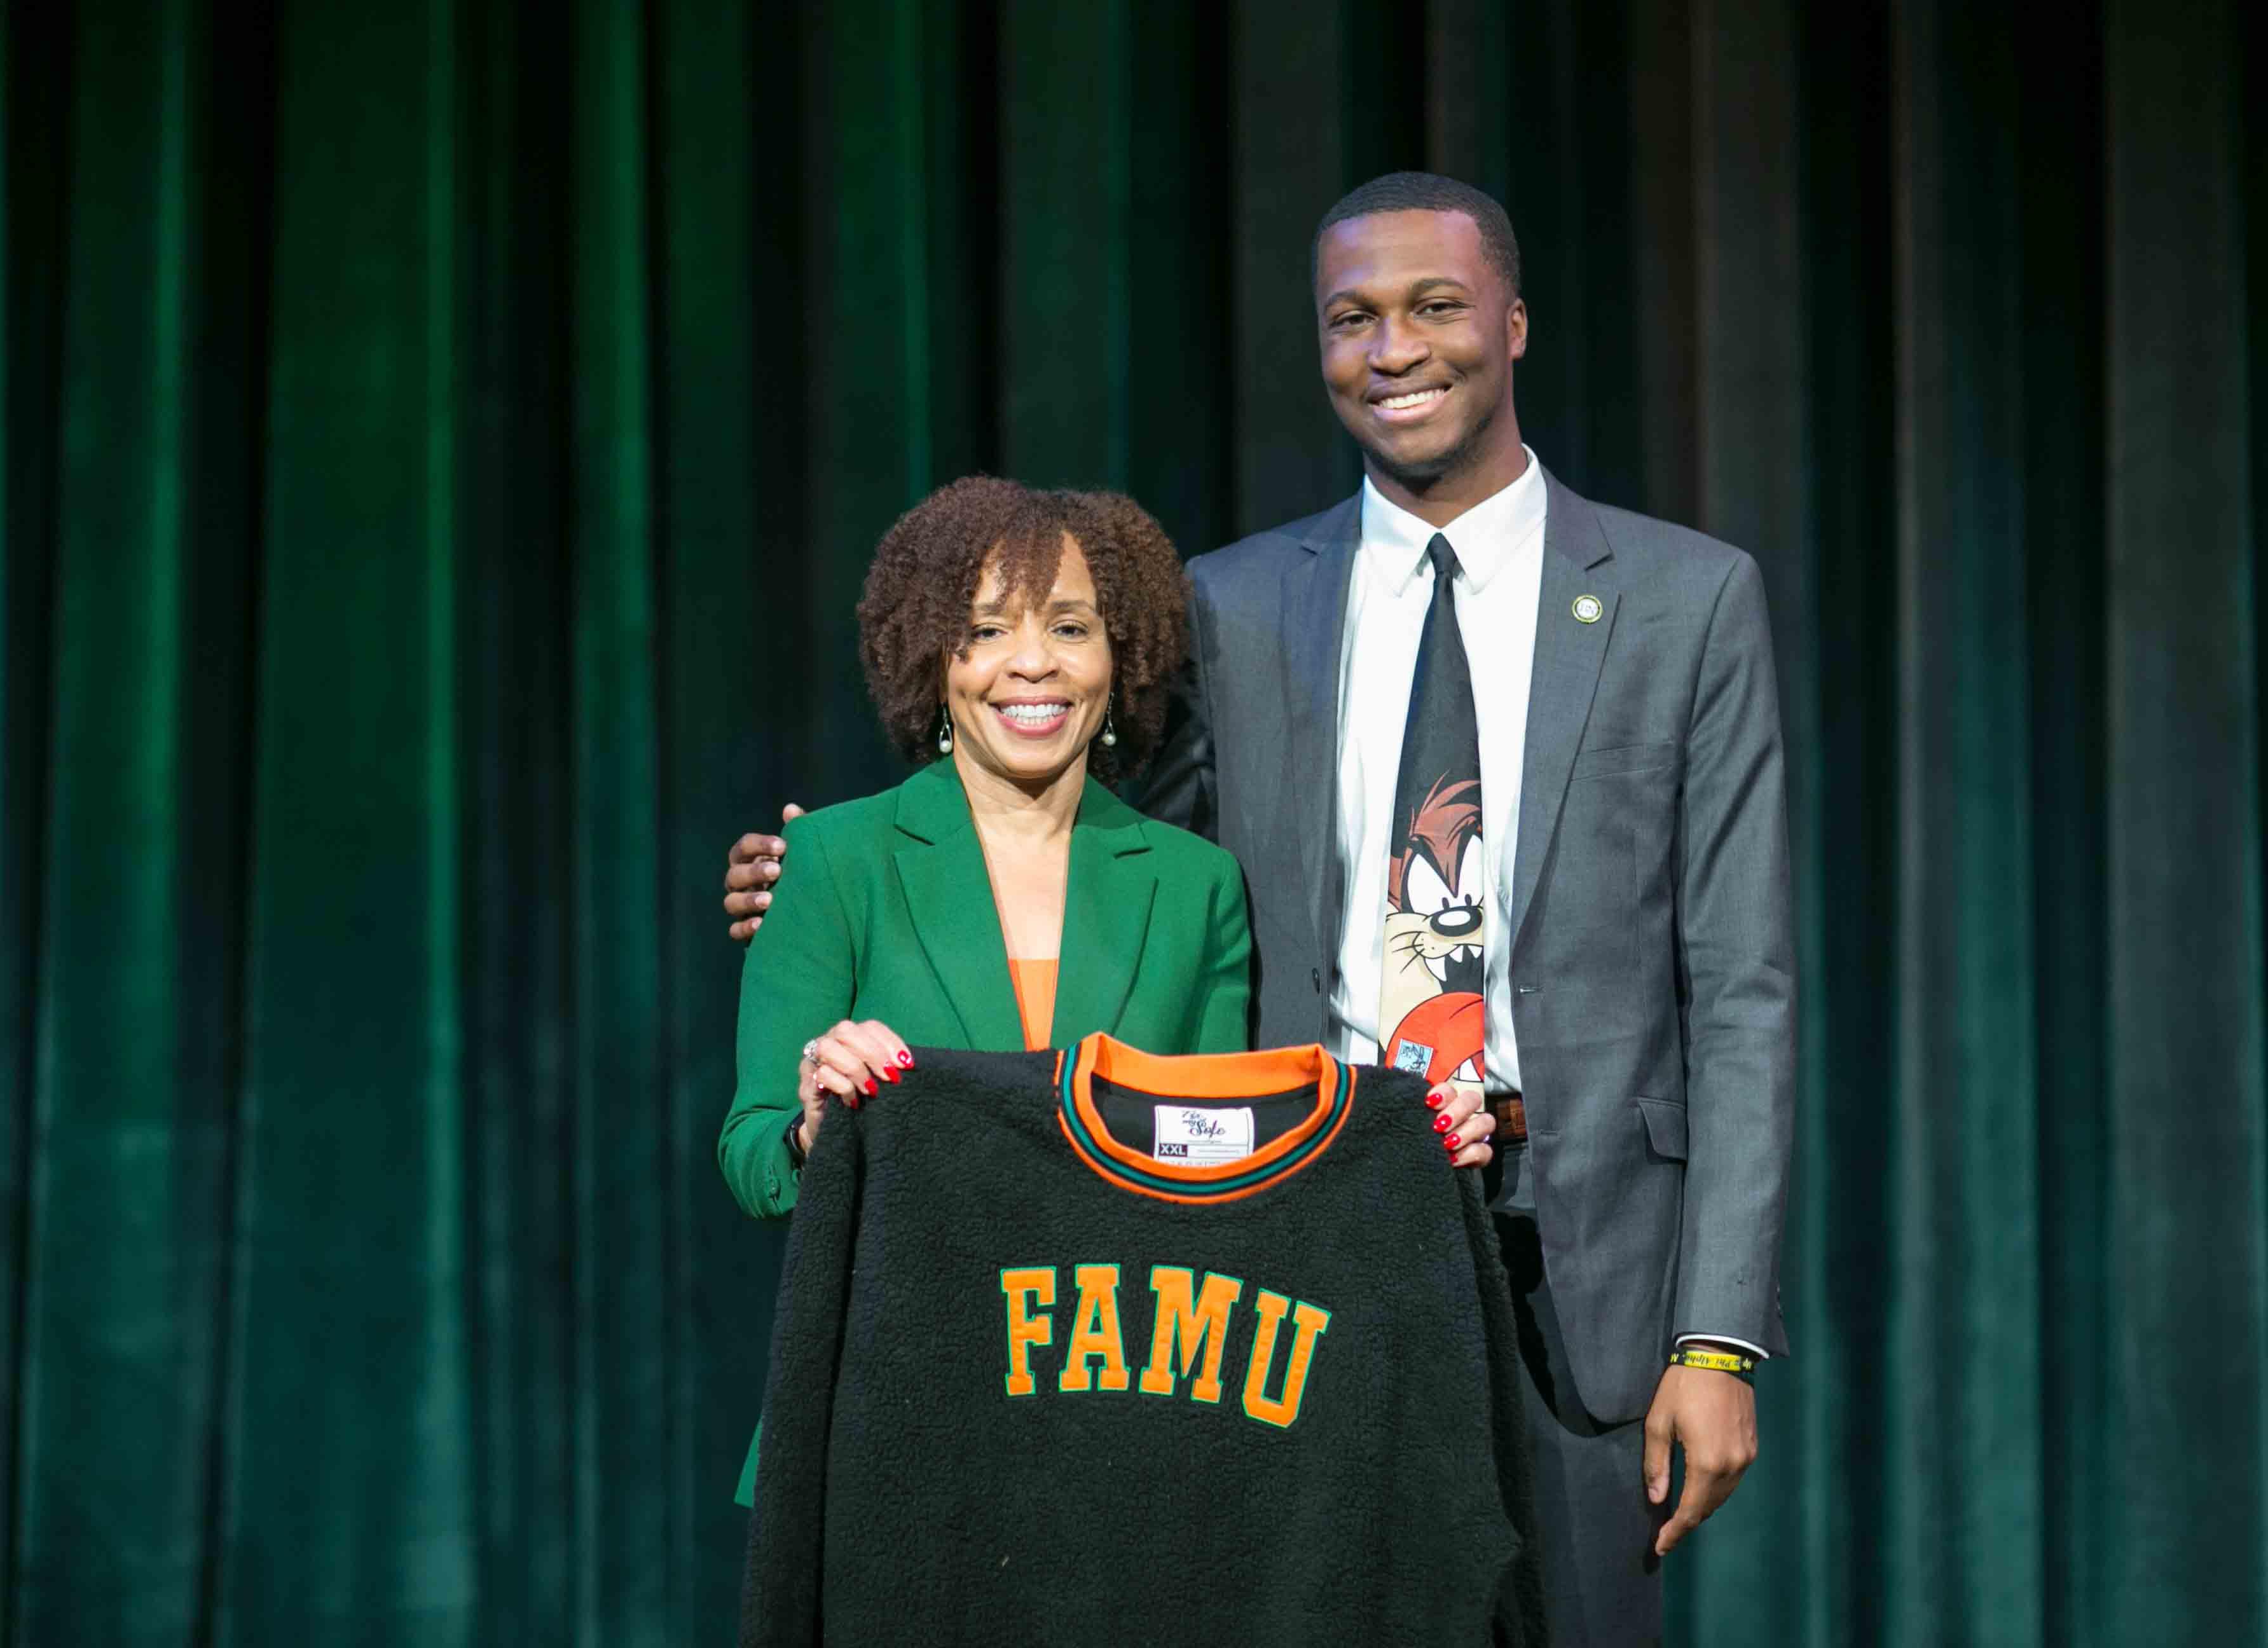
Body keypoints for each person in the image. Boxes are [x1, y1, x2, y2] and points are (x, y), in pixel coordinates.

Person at [725, 173, 1792, 1645]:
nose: (1393, 348)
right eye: (1351, 319)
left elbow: (1743, 987)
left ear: (1518, 322)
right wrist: (831, 879)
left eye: (1434, 307)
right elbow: (1091, 841)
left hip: (1589, 1277)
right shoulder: (1231, 606)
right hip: (1305, 1263)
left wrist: (1719, 1337)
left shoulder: (1688, 599)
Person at [715, 475, 1501, 1509]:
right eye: (985, 629)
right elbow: (750, 1152)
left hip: (1131, 1433)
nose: (1031, 662)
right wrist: (816, 1130)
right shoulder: (834, 857)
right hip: (892, 1415)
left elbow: (1231, 1154)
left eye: (1071, 627)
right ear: (930, 658)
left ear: (1118, 655)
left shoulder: (1195, 884)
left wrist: (1402, 1128)